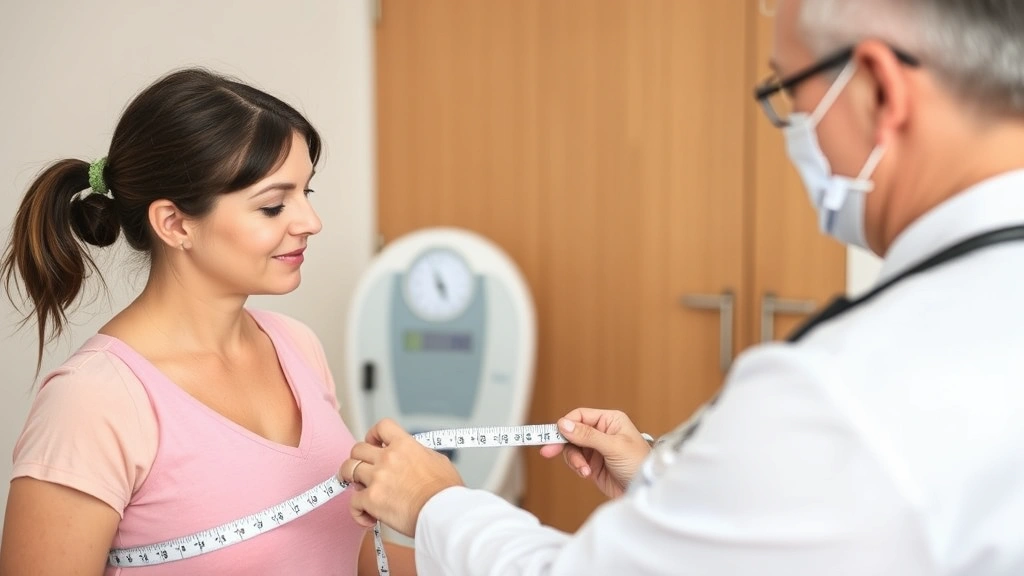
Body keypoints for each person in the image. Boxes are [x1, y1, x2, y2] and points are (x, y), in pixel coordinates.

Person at [339, 0, 1024, 574]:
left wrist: (434, 503)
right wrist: (671, 486)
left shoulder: (844, 389)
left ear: (878, 86)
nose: (796, 129)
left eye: (791, 94)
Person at [0, 69, 415, 576]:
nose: (310, 221)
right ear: (175, 224)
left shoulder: (297, 347)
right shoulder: (94, 400)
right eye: (273, 205)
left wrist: (497, 549)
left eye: (308, 192)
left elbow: (344, 558)